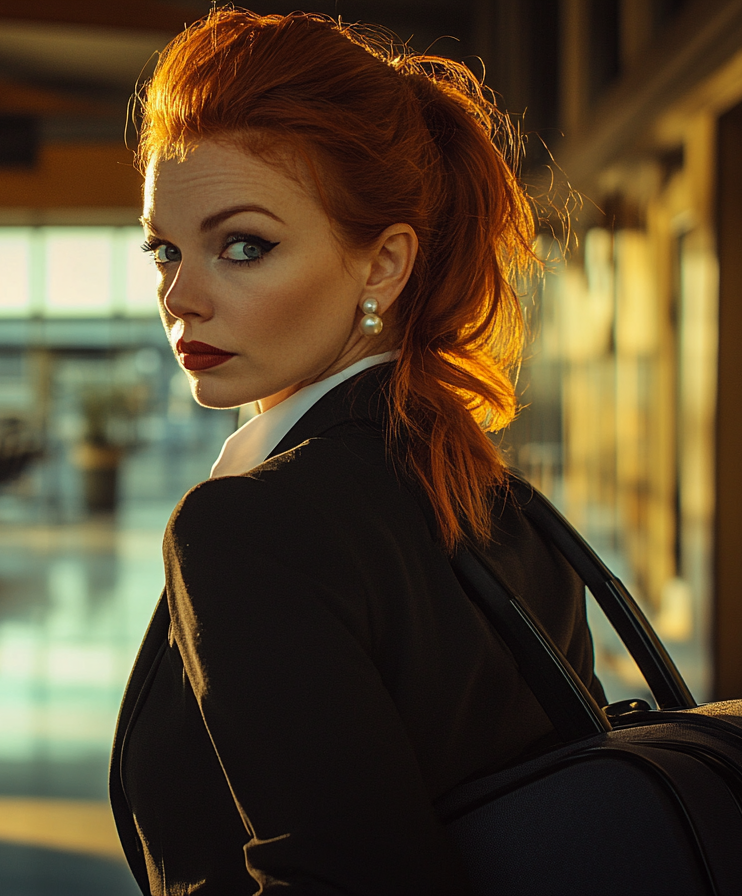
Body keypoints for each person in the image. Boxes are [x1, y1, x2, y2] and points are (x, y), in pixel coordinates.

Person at [109, 11, 606, 895]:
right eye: (164, 248)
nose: (179, 295)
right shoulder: (492, 495)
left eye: (243, 246)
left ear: (382, 266)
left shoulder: (250, 528)